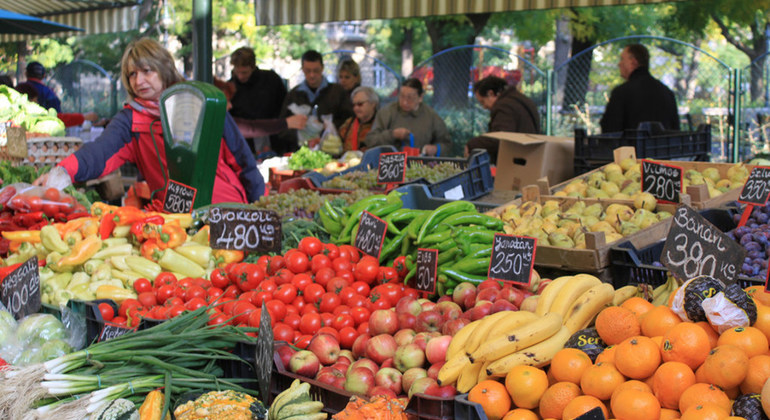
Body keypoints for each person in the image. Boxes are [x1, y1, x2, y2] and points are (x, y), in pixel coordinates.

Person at [35, 38, 264, 204]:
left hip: (226, 209)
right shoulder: (130, 120)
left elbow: (242, 159)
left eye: (146, 71)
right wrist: (62, 172)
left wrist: (259, 205)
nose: (139, 81)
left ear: (164, 69)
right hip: (176, 221)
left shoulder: (202, 103)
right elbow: (100, 152)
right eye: (132, 74)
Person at [276, 50, 353, 154]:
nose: (312, 75)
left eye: (316, 70)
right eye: (308, 71)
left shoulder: (337, 92)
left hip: (332, 152)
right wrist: (300, 136)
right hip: (302, 153)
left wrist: (328, 129)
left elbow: (349, 121)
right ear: (302, 70)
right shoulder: (293, 95)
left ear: (322, 68)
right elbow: (282, 127)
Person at [600, 44, 680, 133]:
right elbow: (675, 129)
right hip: (663, 146)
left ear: (633, 62)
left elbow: (609, 130)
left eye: (622, 59)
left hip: (630, 146)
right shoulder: (667, 92)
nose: (619, 64)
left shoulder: (621, 93)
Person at [364, 78, 451, 157]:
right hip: (390, 164)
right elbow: (370, 141)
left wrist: (435, 149)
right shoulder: (387, 112)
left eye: (410, 98)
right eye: (402, 96)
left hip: (421, 166)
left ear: (420, 97)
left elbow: (447, 144)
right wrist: (392, 135)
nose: (405, 102)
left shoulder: (431, 116)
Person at [465, 76, 540, 163]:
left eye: (483, 102)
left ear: (491, 94)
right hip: (530, 158)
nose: (484, 107)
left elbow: (499, 137)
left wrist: (472, 145)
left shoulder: (505, 106)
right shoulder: (521, 100)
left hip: (515, 163)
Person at [228, 47, 288, 155]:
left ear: (253, 67)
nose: (241, 76)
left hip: (274, 138)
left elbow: (284, 108)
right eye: (238, 72)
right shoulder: (230, 88)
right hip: (245, 144)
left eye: (245, 72)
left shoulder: (271, 80)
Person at [338, 86, 379, 152]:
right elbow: (337, 143)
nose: (356, 108)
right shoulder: (349, 123)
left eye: (360, 104)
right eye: (354, 105)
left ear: (373, 104)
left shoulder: (382, 123)